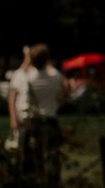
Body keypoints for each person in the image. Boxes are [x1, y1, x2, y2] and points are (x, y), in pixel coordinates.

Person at [6, 42, 67, 177]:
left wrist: (28, 57)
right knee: (52, 157)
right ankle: (52, 184)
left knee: (30, 158)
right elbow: (65, 88)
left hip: (31, 121)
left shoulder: (26, 76)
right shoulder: (56, 77)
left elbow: (20, 73)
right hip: (51, 120)